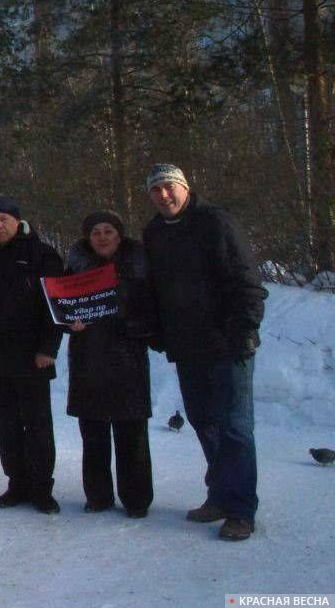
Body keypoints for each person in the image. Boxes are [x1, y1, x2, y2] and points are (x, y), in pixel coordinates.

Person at [142, 164, 267, 541]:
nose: (164, 195)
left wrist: (245, 328)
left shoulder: (215, 222)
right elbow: (155, 288)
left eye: (169, 187)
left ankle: (241, 510)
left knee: (235, 426)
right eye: (156, 190)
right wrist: (158, 331)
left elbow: (246, 278)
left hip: (228, 343)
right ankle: (221, 495)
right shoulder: (154, 233)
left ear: (184, 187)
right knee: (202, 419)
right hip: (188, 345)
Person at [0, 196, 64, 514]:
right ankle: (17, 482)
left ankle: (42, 487)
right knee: (4, 424)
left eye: (3, 219)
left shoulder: (42, 254)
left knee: (37, 424)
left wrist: (49, 347)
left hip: (33, 356)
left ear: (17, 221)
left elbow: (55, 305)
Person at [64, 210, 156, 518]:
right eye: (96, 233)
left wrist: (134, 326)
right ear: (88, 239)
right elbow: (61, 306)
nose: (102, 237)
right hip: (88, 356)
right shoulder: (75, 266)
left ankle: (137, 498)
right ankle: (99, 495)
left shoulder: (139, 265)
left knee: (132, 433)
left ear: (119, 234)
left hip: (126, 355)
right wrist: (69, 323)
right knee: (93, 434)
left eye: (108, 231)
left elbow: (153, 309)